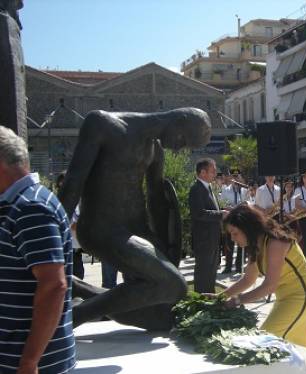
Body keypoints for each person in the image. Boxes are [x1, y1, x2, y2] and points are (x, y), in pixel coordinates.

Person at [60, 108, 207, 330]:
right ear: (180, 121)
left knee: (160, 318)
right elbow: (73, 183)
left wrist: (162, 247)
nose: (179, 147)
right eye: (183, 140)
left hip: (134, 234)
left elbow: (157, 200)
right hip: (101, 230)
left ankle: (79, 289)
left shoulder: (155, 149)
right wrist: (51, 237)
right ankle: (74, 316)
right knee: (174, 286)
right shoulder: (103, 124)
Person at [0, 127, 75, 373]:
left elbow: (54, 286)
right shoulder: (19, 203)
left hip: (25, 363)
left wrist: (30, 361)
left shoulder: (30, 208)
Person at [216, 204, 306, 348]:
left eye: (235, 233)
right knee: (275, 345)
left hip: (302, 296)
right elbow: (248, 279)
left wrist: (236, 301)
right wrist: (220, 297)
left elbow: (269, 286)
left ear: (248, 228)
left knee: (264, 343)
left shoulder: (275, 242)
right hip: (285, 298)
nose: (233, 239)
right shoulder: (256, 244)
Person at [189, 158, 229, 292]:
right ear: (202, 172)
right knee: (203, 272)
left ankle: (209, 298)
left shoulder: (209, 188)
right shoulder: (196, 189)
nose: (215, 173)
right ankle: (201, 300)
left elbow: (212, 208)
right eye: (212, 171)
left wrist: (225, 210)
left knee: (211, 273)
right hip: (204, 240)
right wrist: (220, 214)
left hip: (213, 238)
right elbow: (198, 213)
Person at [221, 168, 247, 274]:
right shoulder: (226, 190)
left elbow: (248, 203)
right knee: (229, 244)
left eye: (237, 176)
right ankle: (228, 266)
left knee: (241, 243)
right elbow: (223, 205)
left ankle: (239, 266)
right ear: (231, 177)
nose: (236, 178)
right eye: (234, 176)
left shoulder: (244, 190)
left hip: (241, 219)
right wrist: (234, 208)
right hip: (230, 219)